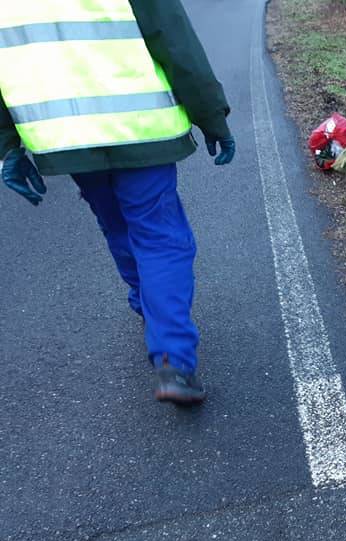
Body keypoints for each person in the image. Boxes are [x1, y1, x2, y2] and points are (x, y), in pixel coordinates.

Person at [0, 0, 235, 405]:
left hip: (65, 136)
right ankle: (173, 360)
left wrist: (8, 147)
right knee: (160, 236)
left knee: (117, 225)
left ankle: (150, 306)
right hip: (140, 125)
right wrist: (211, 115)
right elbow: (174, 40)